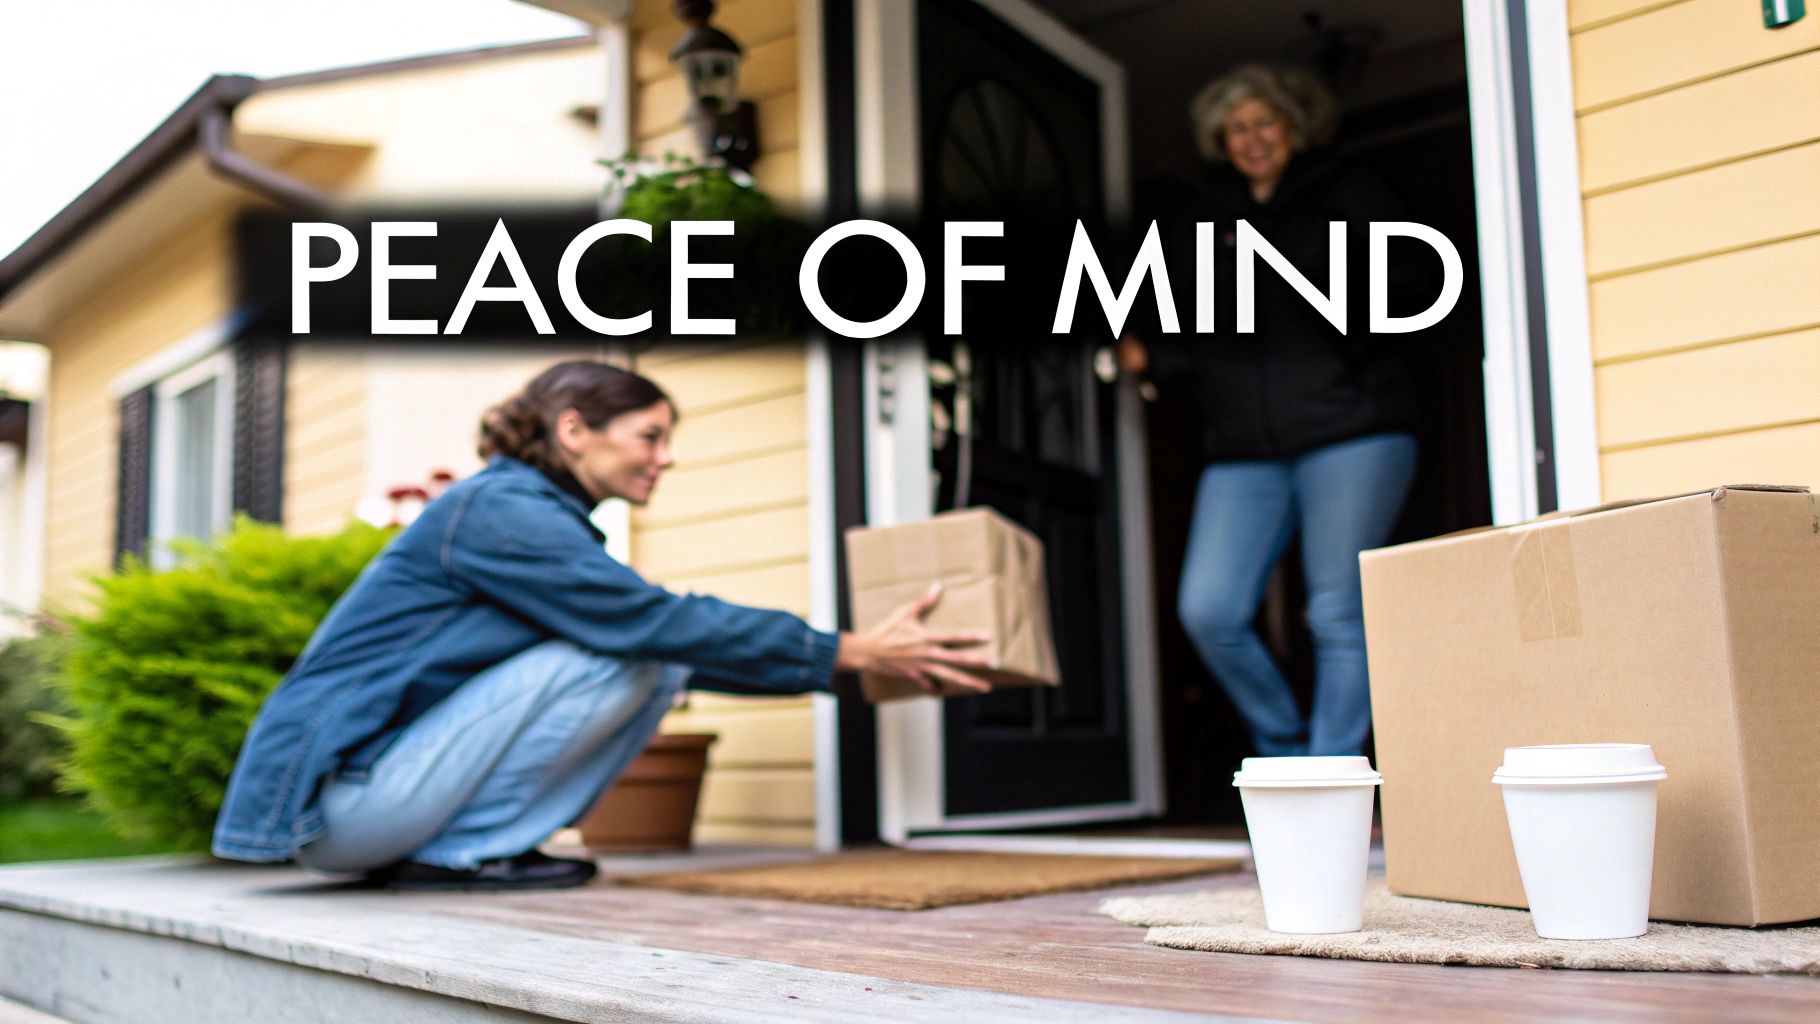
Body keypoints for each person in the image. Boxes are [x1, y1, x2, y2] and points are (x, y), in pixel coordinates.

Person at [212, 360, 990, 890]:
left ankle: (463, 848)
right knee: (632, 652)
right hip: (339, 805)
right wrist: (849, 647)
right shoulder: (500, 511)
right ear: (576, 430)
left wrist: (847, 666)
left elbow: (668, 645)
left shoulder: (522, 514)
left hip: (369, 803)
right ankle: (466, 852)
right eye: (651, 436)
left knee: (649, 654)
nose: (666, 457)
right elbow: (650, 625)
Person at [1119, 64, 1418, 758]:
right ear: (1221, 141)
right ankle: (1285, 750)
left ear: (1294, 127)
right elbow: (1199, 336)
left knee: (1338, 612)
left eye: (1265, 122)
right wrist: (1151, 359)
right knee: (1210, 609)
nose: (1252, 139)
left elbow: (1401, 290)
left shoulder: (1346, 191)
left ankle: (1335, 773)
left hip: (1352, 429)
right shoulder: (1207, 218)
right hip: (1245, 446)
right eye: (1237, 128)